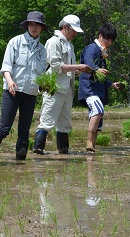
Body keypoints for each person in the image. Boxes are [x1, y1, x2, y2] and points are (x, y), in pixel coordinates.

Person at [0, 12, 48, 160]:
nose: (34, 27)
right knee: (4, 129)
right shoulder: (15, 42)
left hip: (30, 93)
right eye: (31, 24)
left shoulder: (43, 51)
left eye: (37, 25)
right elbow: (6, 67)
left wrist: (44, 85)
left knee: (24, 131)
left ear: (42, 28)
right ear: (27, 26)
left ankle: (20, 166)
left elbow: (42, 74)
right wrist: (9, 80)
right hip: (12, 91)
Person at [33, 15, 92, 155]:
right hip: (55, 87)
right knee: (47, 120)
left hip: (67, 88)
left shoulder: (69, 45)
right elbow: (56, 66)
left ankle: (63, 150)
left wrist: (78, 71)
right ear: (65, 27)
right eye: (74, 30)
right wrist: (79, 66)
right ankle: (37, 149)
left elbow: (69, 69)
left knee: (65, 123)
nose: (75, 34)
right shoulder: (54, 42)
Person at [77, 22, 123, 152]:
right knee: (98, 111)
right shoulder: (92, 48)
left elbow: (101, 77)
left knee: (98, 119)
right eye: (107, 39)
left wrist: (112, 84)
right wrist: (96, 69)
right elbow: (89, 64)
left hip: (97, 90)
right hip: (89, 89)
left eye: (111, 40)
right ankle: (89, 141)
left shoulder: (101, 53)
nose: (109, 42)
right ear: (100, 36)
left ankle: (92, 147)